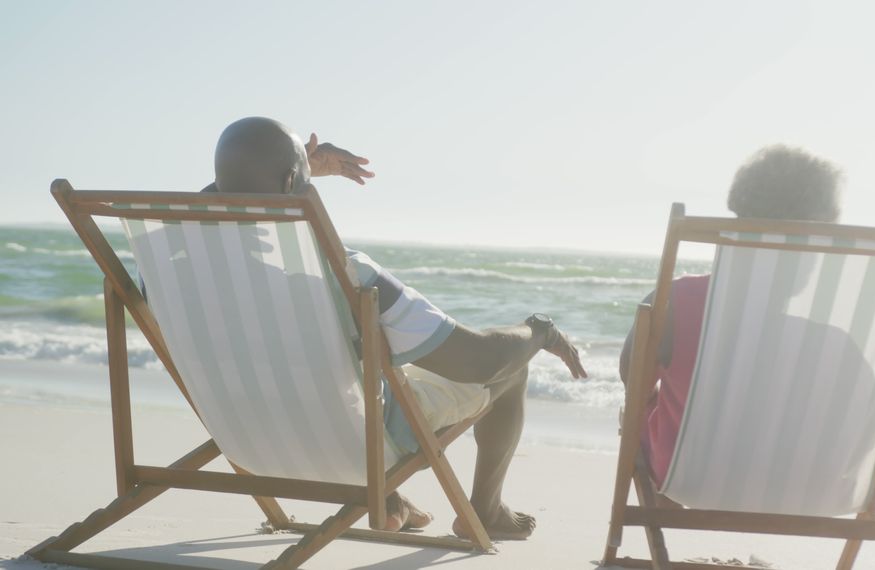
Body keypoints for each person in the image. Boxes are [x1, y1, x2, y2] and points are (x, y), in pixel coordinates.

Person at [206, 117, 588, 540]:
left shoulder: (172, 271)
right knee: (511, 366)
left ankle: (391, 502)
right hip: (357, 448)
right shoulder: (348, 274)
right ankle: (486, 510)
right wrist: (540, 332)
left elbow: (224, 200)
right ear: (294, 179)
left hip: (248, 441)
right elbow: (479, 360)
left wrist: (282, 173)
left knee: (354, 379)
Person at [620, 144, 844, 488]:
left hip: (688, 476)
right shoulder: (836, 336)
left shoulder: (676, 303)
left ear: (738, 221)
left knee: (636, 411)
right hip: (804, 487)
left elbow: (633, 382)